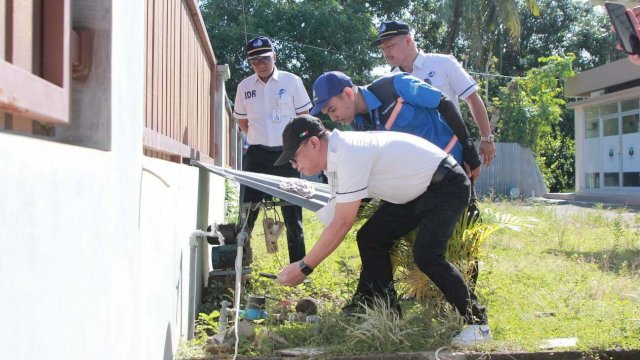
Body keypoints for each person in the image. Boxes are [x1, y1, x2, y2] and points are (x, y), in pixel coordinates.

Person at [274, 115, 492, 348]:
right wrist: (304, 193)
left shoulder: (348, 152)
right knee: (371, 238)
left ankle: (479, 324)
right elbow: (332, 217)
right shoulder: (336, 161)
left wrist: (305, 266)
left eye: (294, 157)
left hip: (446, 186)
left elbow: (342, 222)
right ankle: (390, 315)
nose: (295, 166)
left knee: (428, 255)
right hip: (418, 191)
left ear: (314, 143)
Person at [310, 71, 481, 180]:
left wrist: (469, 149)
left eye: (332, 109)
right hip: (419, 181)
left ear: (348, 94)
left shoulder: (395, 86)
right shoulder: (357, 124)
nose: (333, 118)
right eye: (328, 114)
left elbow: (443, 103)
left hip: (454, 166)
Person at [372, 20, 497, 166]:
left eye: (390, 46)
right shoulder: (390, 81)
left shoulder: (443, 63)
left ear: (407, 41)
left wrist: (487, 137)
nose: (386, 53)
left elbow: (472, 99)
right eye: (382, 49)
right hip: (415, 161)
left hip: (453, 152)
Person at [233, 36, 312, 263]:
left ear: (274, 57)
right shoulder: (244, 87)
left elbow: (303, 117)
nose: (261, 64)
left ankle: (299, 266)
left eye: (265, 59)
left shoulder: (291, 81)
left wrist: (299, 148)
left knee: (292, 213)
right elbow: (242, 121)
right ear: (250, 63)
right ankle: (242, 261)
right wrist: (257, 138)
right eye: (255, 61)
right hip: (257, 155)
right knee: (247, 211)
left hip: (286, 155)